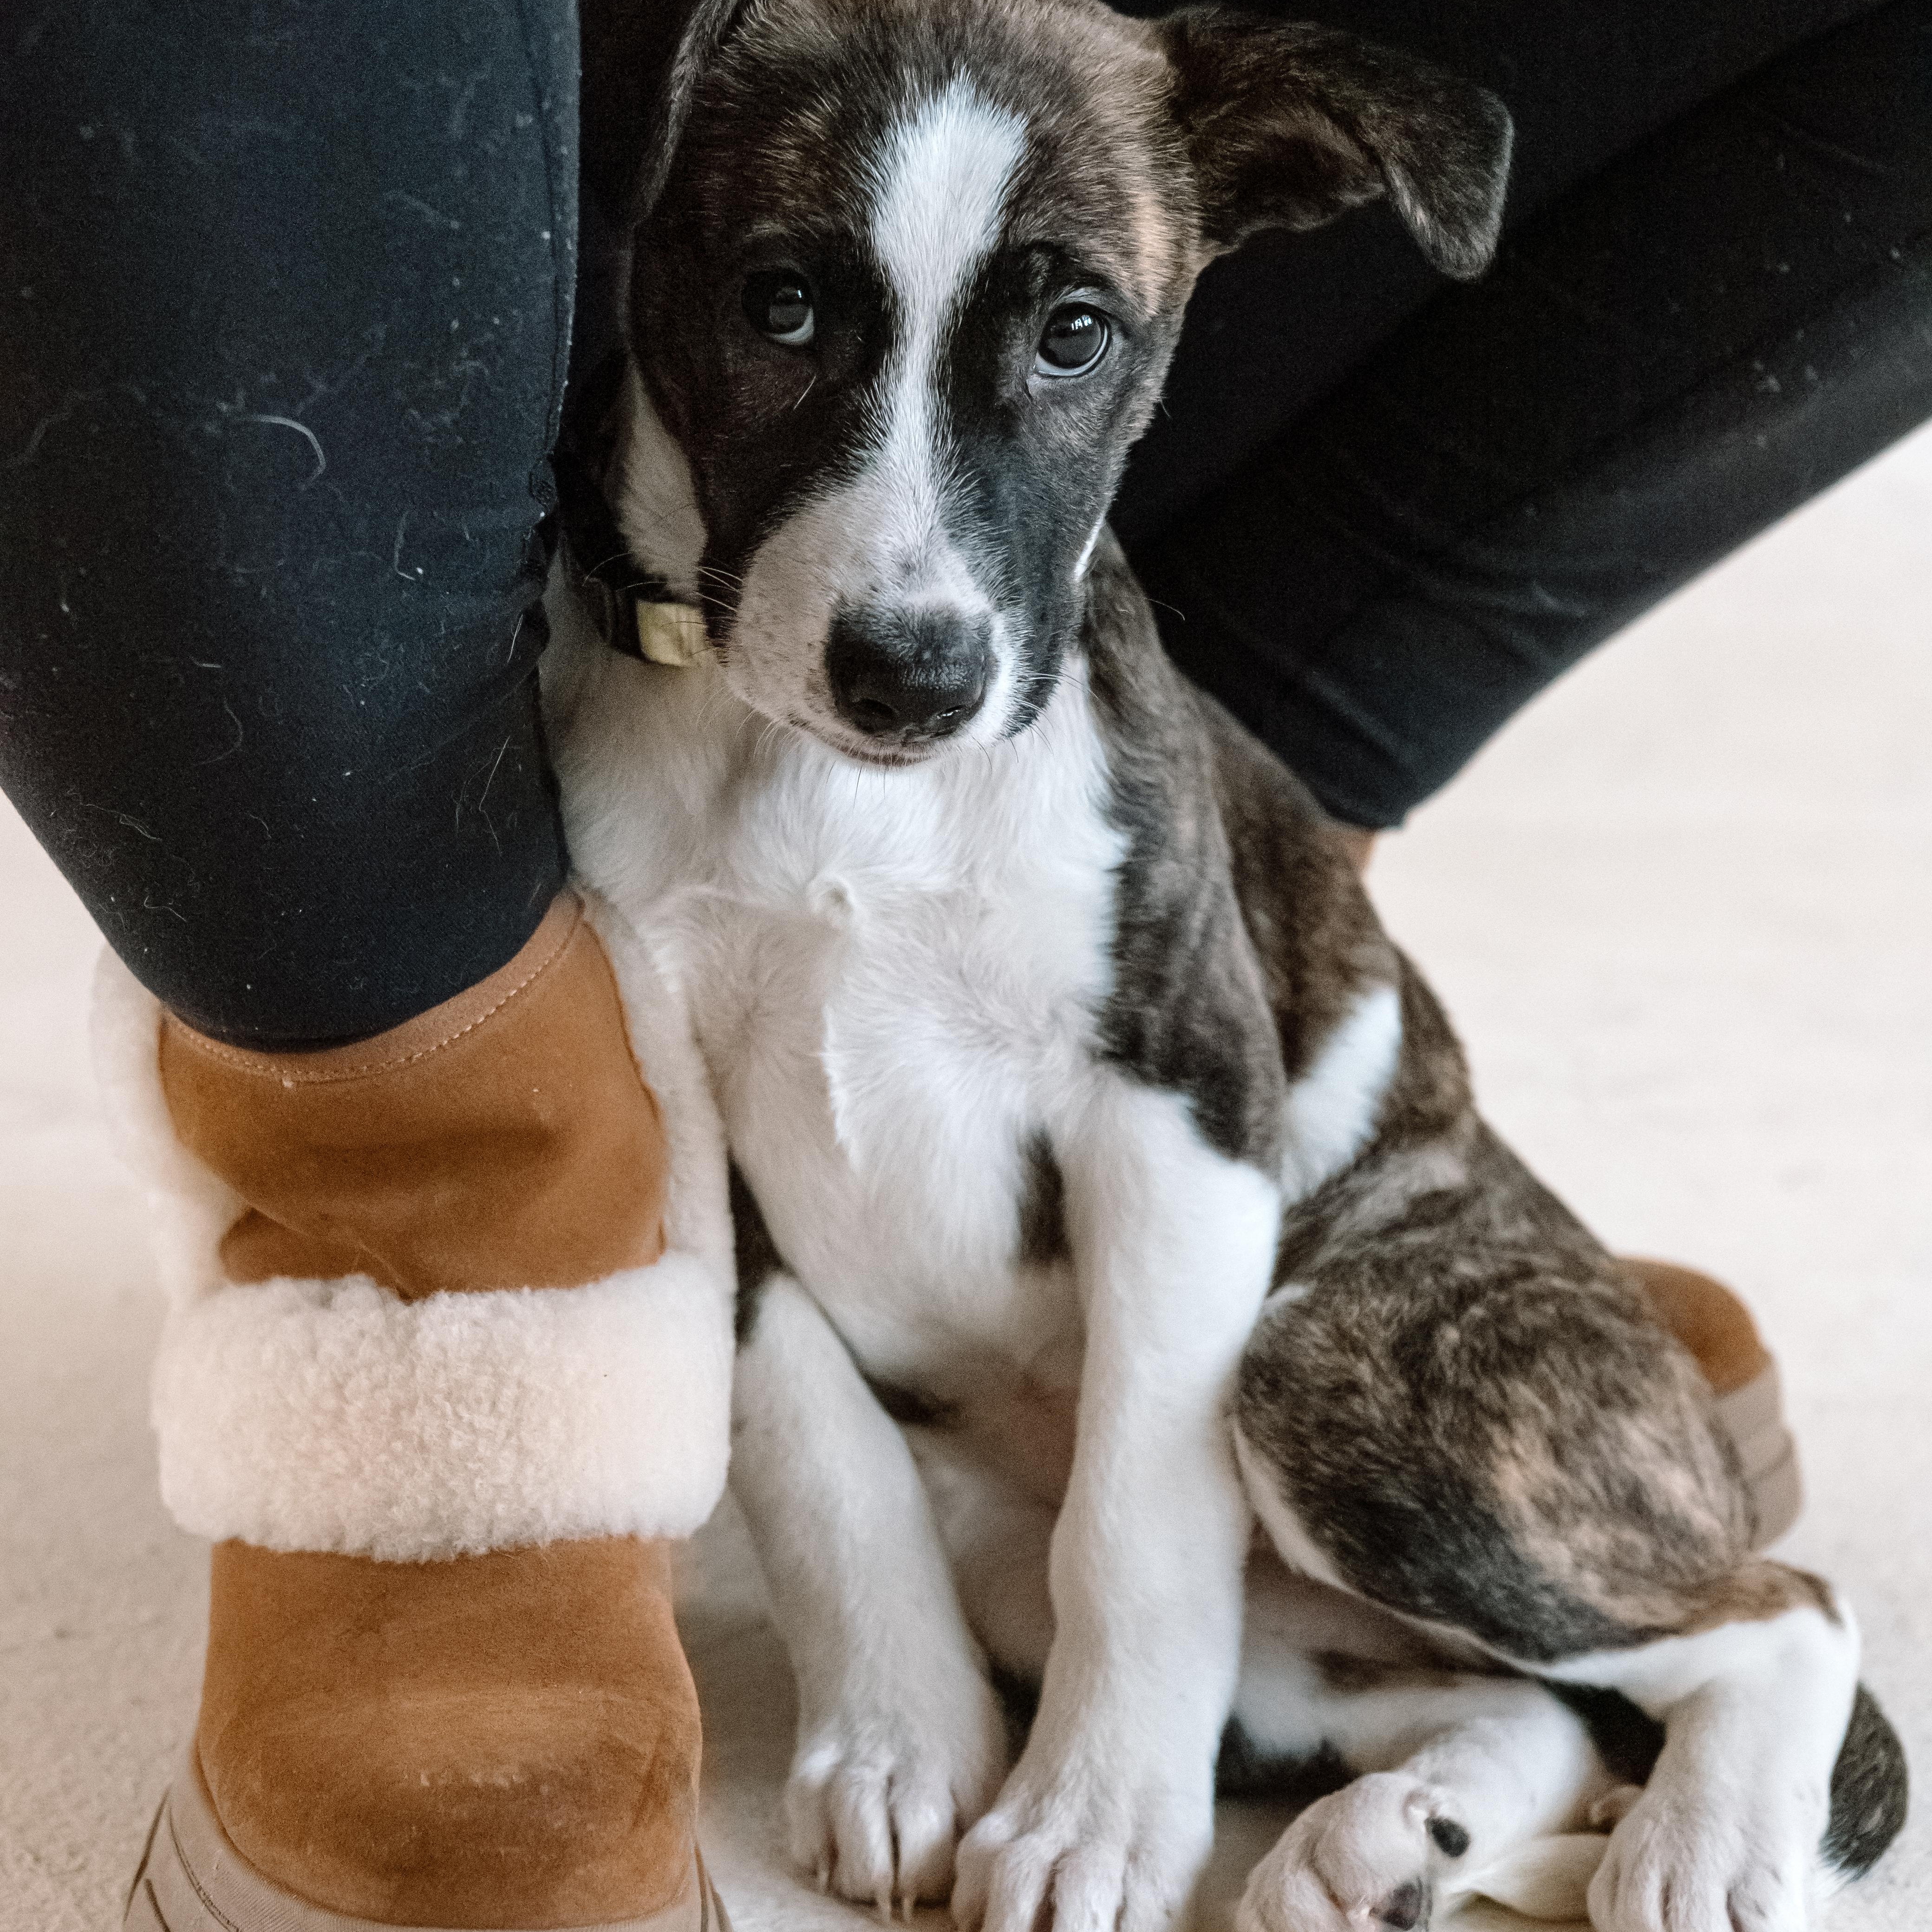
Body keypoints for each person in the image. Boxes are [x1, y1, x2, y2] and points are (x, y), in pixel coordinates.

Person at [3, 1, 1925, 1926]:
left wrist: (1131, 1681)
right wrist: (875, 1643)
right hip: (984, 1370)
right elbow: (712, 1215)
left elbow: (1179, 1110)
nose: (906, 586)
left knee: (1329, 1435)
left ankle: (1731, 1660)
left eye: (1065, 334)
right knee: (891, 1409)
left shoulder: (1077, 738)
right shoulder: (597, 726)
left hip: (1308, 1268)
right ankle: (1483, 1734)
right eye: (781, 312)